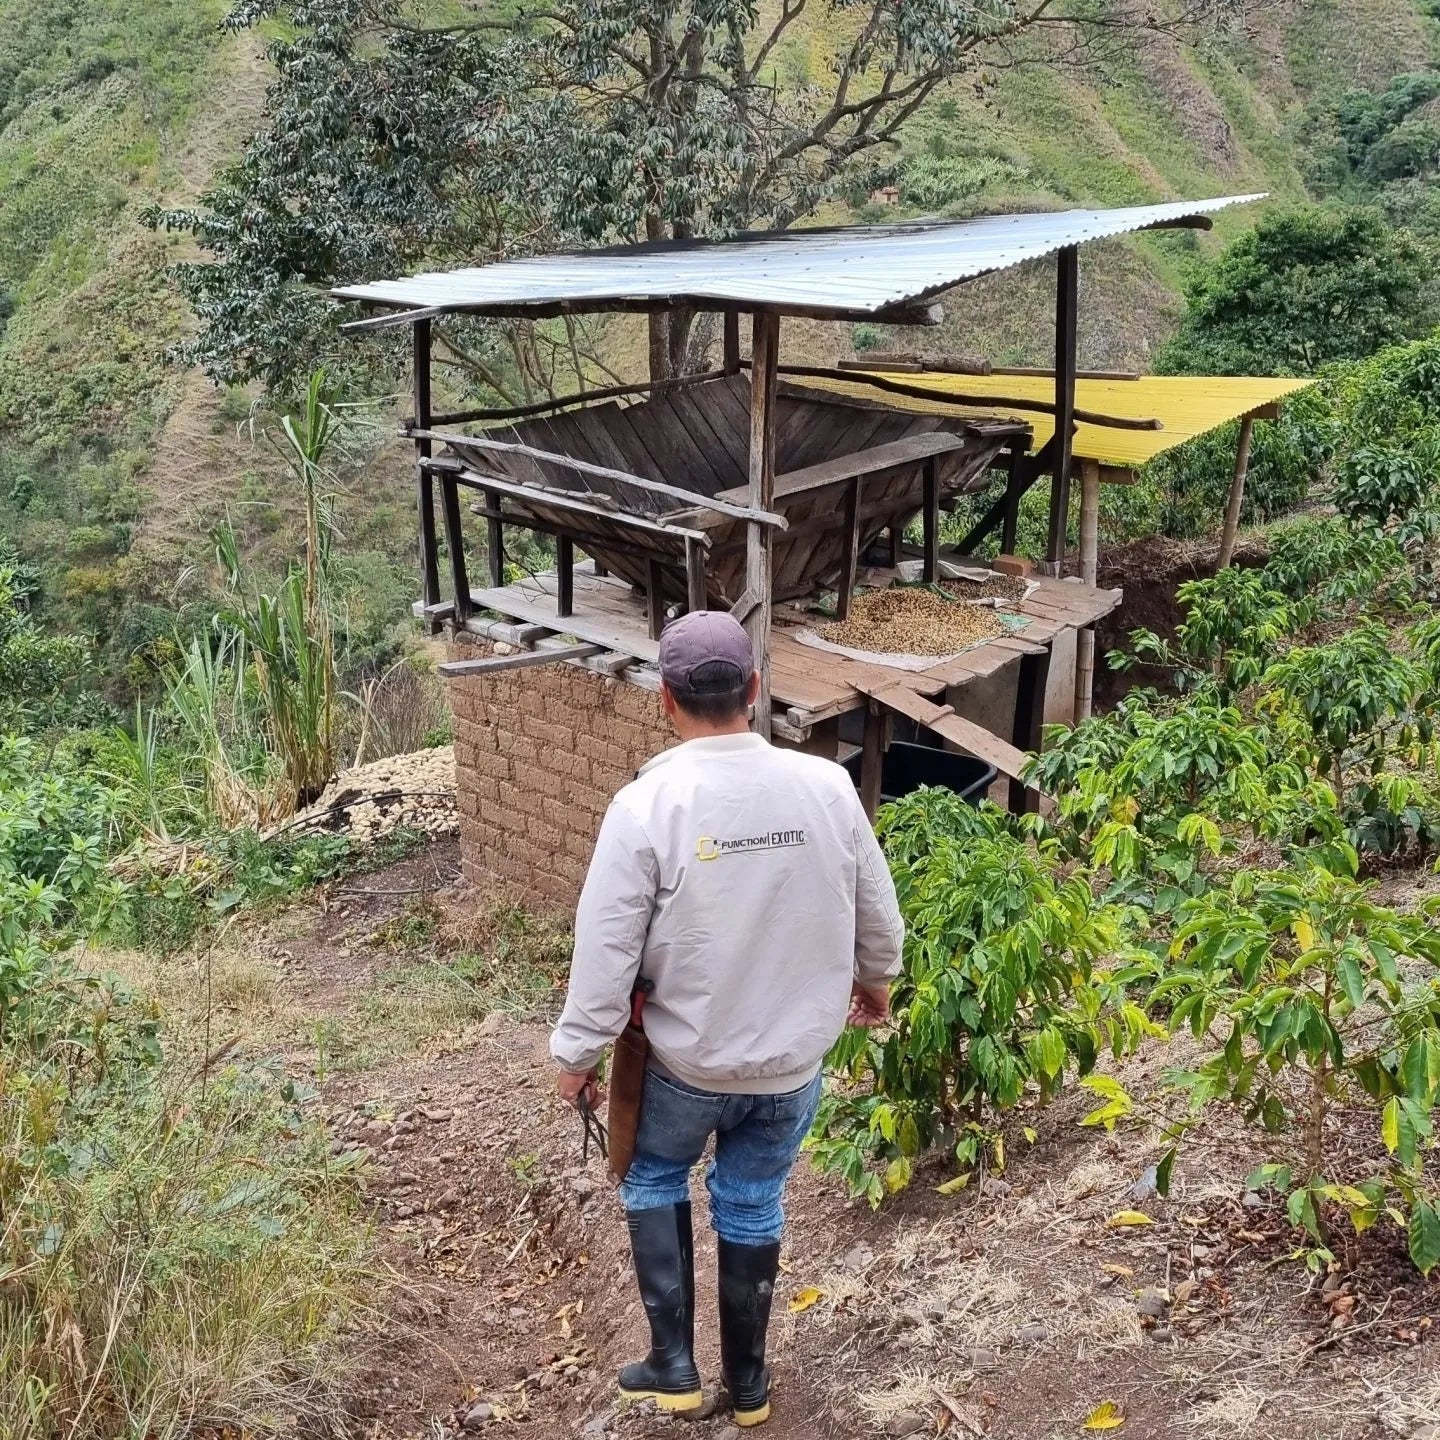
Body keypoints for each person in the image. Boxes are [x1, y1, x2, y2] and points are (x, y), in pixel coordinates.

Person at [550, 610, 904, 1428]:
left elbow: (606, 950)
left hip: (687, 1067)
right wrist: (876, 983)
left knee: (651, 1175)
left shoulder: (646, 806)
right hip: (791, 1070)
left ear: (667, 702)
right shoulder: (826, 787)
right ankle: (748, 1387)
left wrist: (577, 1055)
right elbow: (875, 911)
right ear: (753, 689)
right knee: (750, 1202)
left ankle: (673, 1365)